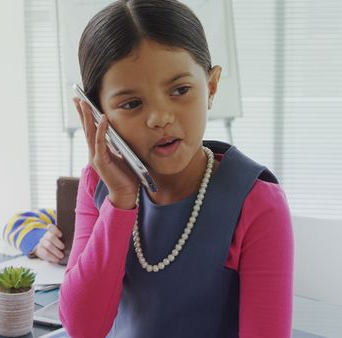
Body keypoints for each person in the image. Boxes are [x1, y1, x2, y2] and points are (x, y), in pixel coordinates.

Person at [58, 1, 294, 337]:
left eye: (180, 90)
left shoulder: (257, 203)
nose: (160, 118)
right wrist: (121, 201)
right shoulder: (100, 185)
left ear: (211, 86)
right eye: (131, 103)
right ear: (97, 115)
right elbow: (83, 327)